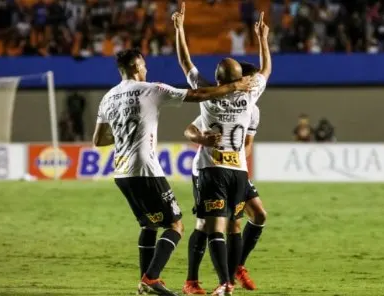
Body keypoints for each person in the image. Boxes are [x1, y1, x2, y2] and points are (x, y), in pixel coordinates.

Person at [93, 48, 253, 296]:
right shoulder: (150, 89)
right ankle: (151, 279)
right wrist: (235, 87)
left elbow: (99, 140)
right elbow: (199, 93)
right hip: (145, 169)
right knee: (175, 225)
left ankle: (145, 282)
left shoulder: (108, 98)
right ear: (136, 67)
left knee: (148, 225)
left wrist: (126, 129)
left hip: (121, 171)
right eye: (144, 65)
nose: (146, 69)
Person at [173, 3, 271, 295]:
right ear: (241, 78)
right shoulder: (250, 95)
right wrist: (263, 38)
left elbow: (186, 64)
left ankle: (224, 282)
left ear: (217, 80)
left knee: (213, 227)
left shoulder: (207, 95)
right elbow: (265, 69)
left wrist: (179, 29)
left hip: (213, 170)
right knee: (223, 226)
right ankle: (220, 281)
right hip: (237, 171)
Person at [183, 101, 267, 294]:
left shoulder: (253, 110)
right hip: (208, 170)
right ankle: (192, 281)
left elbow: (247, 144)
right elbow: (189, 130)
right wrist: (202, 139)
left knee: (257, 214)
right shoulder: (220, 105)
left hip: (235, 171)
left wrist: (234, 159)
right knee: (205, 224)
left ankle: (236, 268)